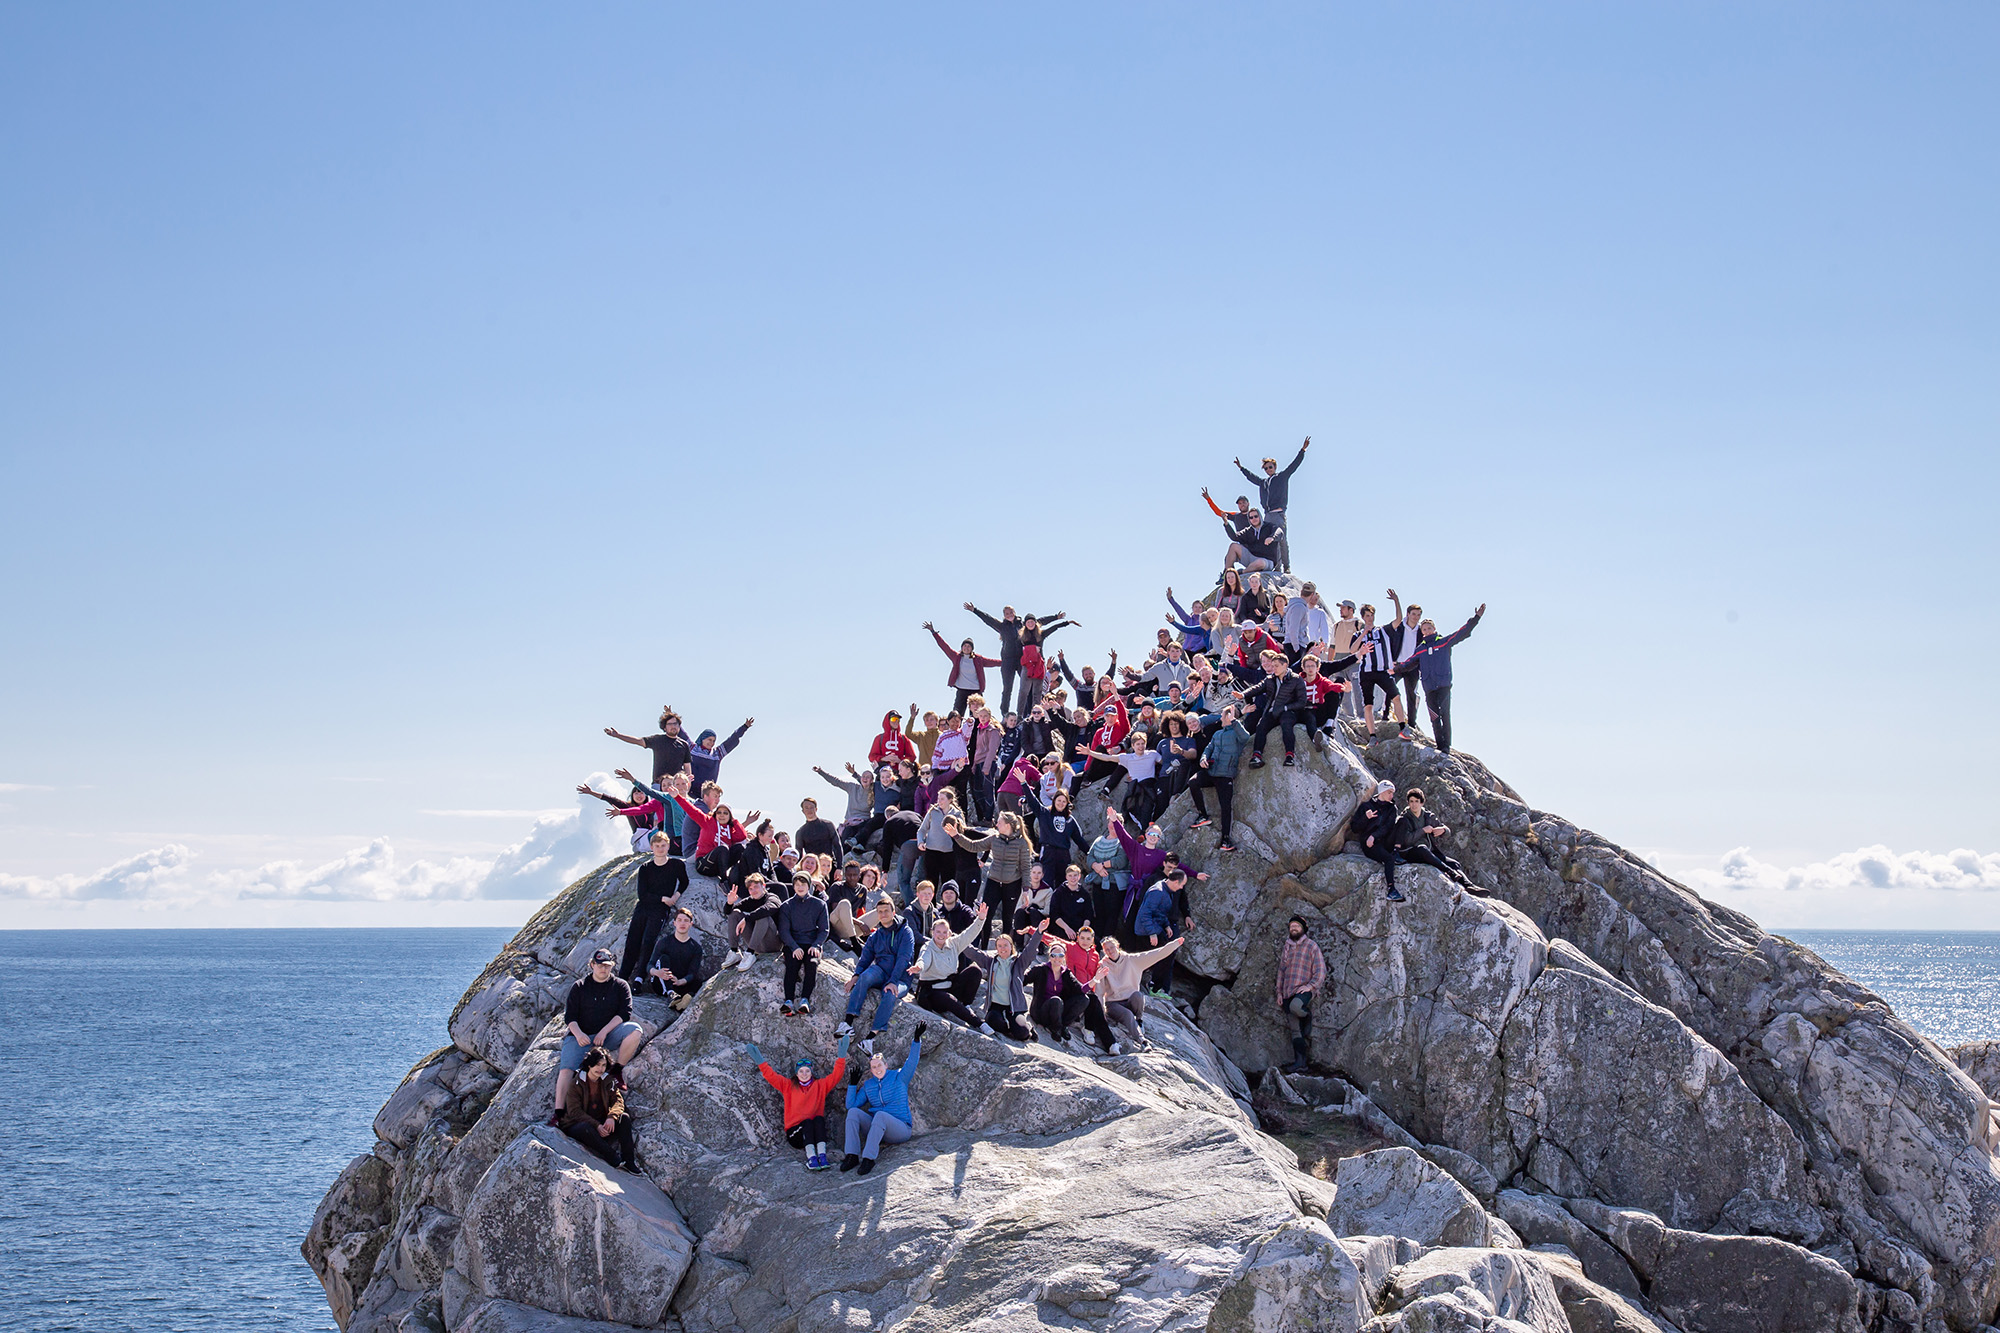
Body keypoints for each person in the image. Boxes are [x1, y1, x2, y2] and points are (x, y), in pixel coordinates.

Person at [552, 949, 643, 1119]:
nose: (603, 969)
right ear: (592, 965)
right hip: (581, 1037)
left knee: (635, 1030)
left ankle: (617, 1070)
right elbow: (570, 1017)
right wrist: (579, 1035)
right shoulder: (579, 987)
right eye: (600, 965)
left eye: (607, 966)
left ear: (612, 966)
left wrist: (604, 1031)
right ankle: (558, 1113)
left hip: (607, 1035)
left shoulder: (621, 986)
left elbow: (624, 1013)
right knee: (566, 1070)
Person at [745, 1041, 844, 1171]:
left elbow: (836, 1076)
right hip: (795, 1135)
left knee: (819, 1119)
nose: (804, 1074)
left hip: (813, 1133)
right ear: (796, 1074)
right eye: (801, 1071)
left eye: (807, 1071)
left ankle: (822, 1156)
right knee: (807, 1122)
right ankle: (812, 1159)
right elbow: (772, 1077)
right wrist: (760, 1062)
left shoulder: (820, 1086)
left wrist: (841, 1058)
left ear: (811, 1072)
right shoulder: (788, 1086)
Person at [842, 1024, 926, 1176]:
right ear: (871, 1070)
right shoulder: (869, 1085)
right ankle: (852, 1156)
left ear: (886, 1065)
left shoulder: (899, 1077)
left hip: (900, 1129)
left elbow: (912, 1061)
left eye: (879, 1065)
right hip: (877, 1129)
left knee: (880, 1115)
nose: (877, 1069)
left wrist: (916, 1040)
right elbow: (850, 1106)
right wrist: (852, 1085)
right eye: (873, 1067)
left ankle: (868, 1158)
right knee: (854, 1113)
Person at [964, 603, 1071, 715]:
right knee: (1007, 688)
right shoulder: (1002, 626)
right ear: (1004, 615)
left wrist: (1055, 617)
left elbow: (1040, 621)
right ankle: (1005, 713)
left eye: (1011, 612)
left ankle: (1029, 711)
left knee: (1027, 687)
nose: (1009, 615)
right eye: (1007, 613)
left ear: (1014, 613)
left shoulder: (1022, 624)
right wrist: (975, 610)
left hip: (1022, 660)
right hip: (1008, 660)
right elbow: (988, 619)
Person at [838, 898, 916, 1049]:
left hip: (900, 978)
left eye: (886, 911)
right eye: (880, 912)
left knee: (890, 994)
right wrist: (855, 976)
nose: (883, 914)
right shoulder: (876, 935)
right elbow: (865, 958)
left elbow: (904, 958)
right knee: (865, 975)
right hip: (880, 972)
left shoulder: (906, 932)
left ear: (893, 912)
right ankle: (848, 1023)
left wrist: (893, 981)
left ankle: (870, 1038)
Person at [1407, 605, 1486, 756]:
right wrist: (1395, 669)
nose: (1427, 631)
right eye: (1424, 629)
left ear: (1434, 629)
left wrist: (1476, 618)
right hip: (1429, 687)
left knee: (1445, 715)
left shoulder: (1443, 642)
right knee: (1434, 717)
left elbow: (1462, 633)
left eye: (1429, 628)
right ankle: (1439, 744)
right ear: (1421, 632)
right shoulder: (1420, 649)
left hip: (1443, 686)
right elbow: (1408, 663)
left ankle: (1446, 746)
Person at [1093, 933, 1188, 1054]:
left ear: (1117, 946)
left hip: (1131, 1000)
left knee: (1138, 995)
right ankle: (1142, 1041)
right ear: (1104, 951)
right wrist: (1102, 1013)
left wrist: (1174, 944)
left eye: (1112, 947)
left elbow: (1156, 954)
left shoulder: (1132, 960)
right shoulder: (1102, 966)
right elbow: (1100, 992)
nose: (1110, 951)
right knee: (1127, 1015)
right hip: (1113, 1003)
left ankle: (1139, 1020)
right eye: (1106, 949)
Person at [951, 811, 1034, 948]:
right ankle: (983, 949)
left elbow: (1026, 867)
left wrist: (1026, 889)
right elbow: (973, 846)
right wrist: (957, 836)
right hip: (993, 881)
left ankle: (1007, 950)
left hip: (1012, 884)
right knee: (986, 916)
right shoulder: (994, 838)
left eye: (999, 822)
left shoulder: (1022, 843)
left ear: (1007, 825)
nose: (996, 824)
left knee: (1007, 919)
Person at [909, 904, 992, 1029]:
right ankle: (978, 1023)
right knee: (948, 999)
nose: (941, 935)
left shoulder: (953, 943)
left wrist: (980, 919)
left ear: (949, 933)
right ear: (932, 932)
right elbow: (923, 960)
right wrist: (919, 967)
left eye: (944, 932)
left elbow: (969, 934)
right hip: (933, 993)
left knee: (975, 970)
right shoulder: (928, 947)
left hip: (950, 986)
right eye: (938, 932)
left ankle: (966, 1004)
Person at [620, 831, 686, 986]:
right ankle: (622, 978)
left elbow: (684, 882)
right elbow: (642, 894)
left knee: (648, 941)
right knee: (632, 942)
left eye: (663, 845)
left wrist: (675, 897)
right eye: (657, 846)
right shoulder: (645, 868)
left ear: (668, 845)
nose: (661, 849)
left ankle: (639, 978)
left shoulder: (676, 865)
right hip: (643, 908)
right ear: (651, 847)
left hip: (659, 910)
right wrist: (664, 898)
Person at [1234, 439, 1310, 571]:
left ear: (1275, 467)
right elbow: (1252, 478)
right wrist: (1241, 468)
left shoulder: (1281, 477)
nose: (1268, 469)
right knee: (1268, 541)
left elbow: (1294, 466)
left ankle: (1286, 566)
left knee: (1281, 540)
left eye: (1270, 467)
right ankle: (1276, 566)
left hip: (1278, 513)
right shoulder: (1263, 483)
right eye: (1266, 468)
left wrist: (1302, 451)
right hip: (1267, 515)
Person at [1393, 788, 1484, 894]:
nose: (1414, 805)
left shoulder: (1428, 817)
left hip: (1431, 852)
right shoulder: (1403, 819)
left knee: (1454, 863)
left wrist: (1443, 830)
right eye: (1411, 801)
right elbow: (1406, 841)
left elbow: (1447, 832)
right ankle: (1449, 871)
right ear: (1408, 803)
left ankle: (1469, 886)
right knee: (1422, 849)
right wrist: (1423, 830)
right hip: (1411, 852)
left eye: (1417, 801)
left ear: (1422, 803)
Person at [560, 1045, 636, 1170]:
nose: (600, 1069)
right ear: (589, 1065)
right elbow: (574, 1111)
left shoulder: (607, 1081)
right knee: (585, 1128)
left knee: (624, 1118)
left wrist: (612, 1117)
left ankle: (629, 1161)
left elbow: (618, 1101)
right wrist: (596, 1125)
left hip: (602, 1122)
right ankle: (612, 1157)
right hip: (580, 1125)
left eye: (603, 1065)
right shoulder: (577, 1083)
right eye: (597, 1065)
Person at [1188, 704, 1251, 852]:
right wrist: (1203, 759)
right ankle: (1203, 815)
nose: (1220, 718)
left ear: (1229, 717)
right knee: (1193, 782)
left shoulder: (1237, 732)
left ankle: (1226, 839)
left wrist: (1234, 721)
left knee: (1226, 807)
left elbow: (1246, 737)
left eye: (1223, 715)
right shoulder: (1217, 734)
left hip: (1225, 775)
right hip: (1211, 772)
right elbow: (1208, 749)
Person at [967, 925, 1041, 1039]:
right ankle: (1008, 1028)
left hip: (1013, 1007)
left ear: (1011, 946)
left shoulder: (1019, 963)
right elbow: (974, 953)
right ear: (996, 948)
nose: (1003, 948)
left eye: (1005, 945)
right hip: (996, 1006)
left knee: (1023, 1034)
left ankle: (1027, 1027)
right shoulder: (991, 962)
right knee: (993, 1021)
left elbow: (1030, 950)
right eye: (999, 946)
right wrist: (955, 940)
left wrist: (1039, 932)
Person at [1238, 650, 1308, 768]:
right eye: (1272, 665)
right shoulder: (1270, 679)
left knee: (1286, 725)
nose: (1273, 668)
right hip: (1272, 711)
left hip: (1288, 711)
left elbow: (1302, 702)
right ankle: (1256, 756)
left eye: (1276, 666)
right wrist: (1243, 694)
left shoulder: (1296, 680)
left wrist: (1286, 707)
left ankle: (1290, 755)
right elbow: (1257, 688)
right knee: (1261, 726)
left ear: (1285, 665)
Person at [1276, 915, 1326, 1074]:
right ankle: (1300, 1063)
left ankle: (1307, 1016)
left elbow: (1321, 970)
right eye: (1291, 926)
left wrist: (1311, 986)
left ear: (1303, 928)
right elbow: (1281, 971)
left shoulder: (1312, 946)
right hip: (1287, 991)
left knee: (1296, 1007)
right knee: (1295, 1030)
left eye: (1296, 926)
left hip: (1304, 990)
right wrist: (1279, 992)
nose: (1293, 928)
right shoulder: (1287, 947)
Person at [777, 873, 831, 1016]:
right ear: (793, 886)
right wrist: (794, 947)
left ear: (809, 886)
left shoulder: (819, 904)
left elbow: (824, 929)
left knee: (811, 964)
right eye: (797, 884)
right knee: (792, 965)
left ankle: (804, 1000)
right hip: (793, 943)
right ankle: (788, 1001)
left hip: (812, 943)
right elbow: (783, 930)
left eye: (803, 884)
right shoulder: (786, 906)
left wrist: (817, 945)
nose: (800, 887)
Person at [924, 622, 1004, 714]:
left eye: (969, 646)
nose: (966, 648)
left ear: (972, 649)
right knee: (957, 714)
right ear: (962, 647)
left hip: (976, 691)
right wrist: (934, 632)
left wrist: (1007, 662)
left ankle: (978, 729)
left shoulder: (978, 659)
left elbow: (993, 662)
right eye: (965, 646)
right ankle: (955, 728)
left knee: (977, 715)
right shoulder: (956, 657)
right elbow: (944, 646)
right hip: (962, 689)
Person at [603, 707, 692, 786]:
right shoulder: (657, 740)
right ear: (664, 728)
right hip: (659, 785)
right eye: (670, 724)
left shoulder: (684, 744)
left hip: (677, 785)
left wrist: (687, 782)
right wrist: (618, 735)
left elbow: (687, 767)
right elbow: (637, 741)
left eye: (675, 724)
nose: (673, 726)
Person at [1351, 780, 1406, 902]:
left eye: (1393, 793)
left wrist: (1374, 836)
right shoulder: (1366, 806)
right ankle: (1391, 890)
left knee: (1402, 820)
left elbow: (1388, 827)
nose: (1392, 796)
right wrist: (1366, 818)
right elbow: (1354, 828)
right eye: (1389, 792)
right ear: (1382, 792)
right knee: (1388, 859)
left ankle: (1397, 852)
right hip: (1369, 844)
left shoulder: (1392, 808)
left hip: (1383, 840)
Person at [647, 906, 705, 1011]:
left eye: (686, 921)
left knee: (699, 982)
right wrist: (657, 972)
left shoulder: (695, 947)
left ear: (691, 924)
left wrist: (680, 981)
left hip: (679, 983)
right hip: (661, 982)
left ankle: (682, 1003)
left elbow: (692, 973)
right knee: (664, 958)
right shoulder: (664, 942)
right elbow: (650, 964)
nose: (682, 923)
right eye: (679, 920)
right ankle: (671, 994)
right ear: (674, 923)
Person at [720, 874, 783, 970]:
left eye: (756, 887)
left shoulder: (772, 897)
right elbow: (729, 913)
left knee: (762, 916)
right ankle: (734, 951)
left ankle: (750, 953)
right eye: (750, 889)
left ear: (764, 886)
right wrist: (729, 903)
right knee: (735, 913)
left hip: (772, 943)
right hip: (758, 944)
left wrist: (747, 918)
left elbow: (770, 908)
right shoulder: (749, 901)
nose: (754, 891)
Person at [688, 719, 754, 792]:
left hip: (707, 793)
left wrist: (744, 727)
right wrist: (672, 715)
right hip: (689, 790)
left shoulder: (717, 753)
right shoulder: (692, 748)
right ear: (702, 739)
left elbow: (732, 739)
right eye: (709, 740)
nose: (712, 743)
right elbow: (681, 733)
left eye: (714, 741)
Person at [1223, 505, 1285, 574]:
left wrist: (1272, 537)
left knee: (1260, 562)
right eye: (1251, 517)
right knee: (1233, 546)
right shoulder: (1248, 531)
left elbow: (1279, 531)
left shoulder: (1269, 526)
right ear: (1249, 520)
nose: (1254, 519)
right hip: (1252, 558)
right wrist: (1226, 524)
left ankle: (1241, 572)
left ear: (1260, 516)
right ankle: (1227, 574)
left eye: (1256, 516)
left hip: (1267, 561)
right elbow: (1234, 537)